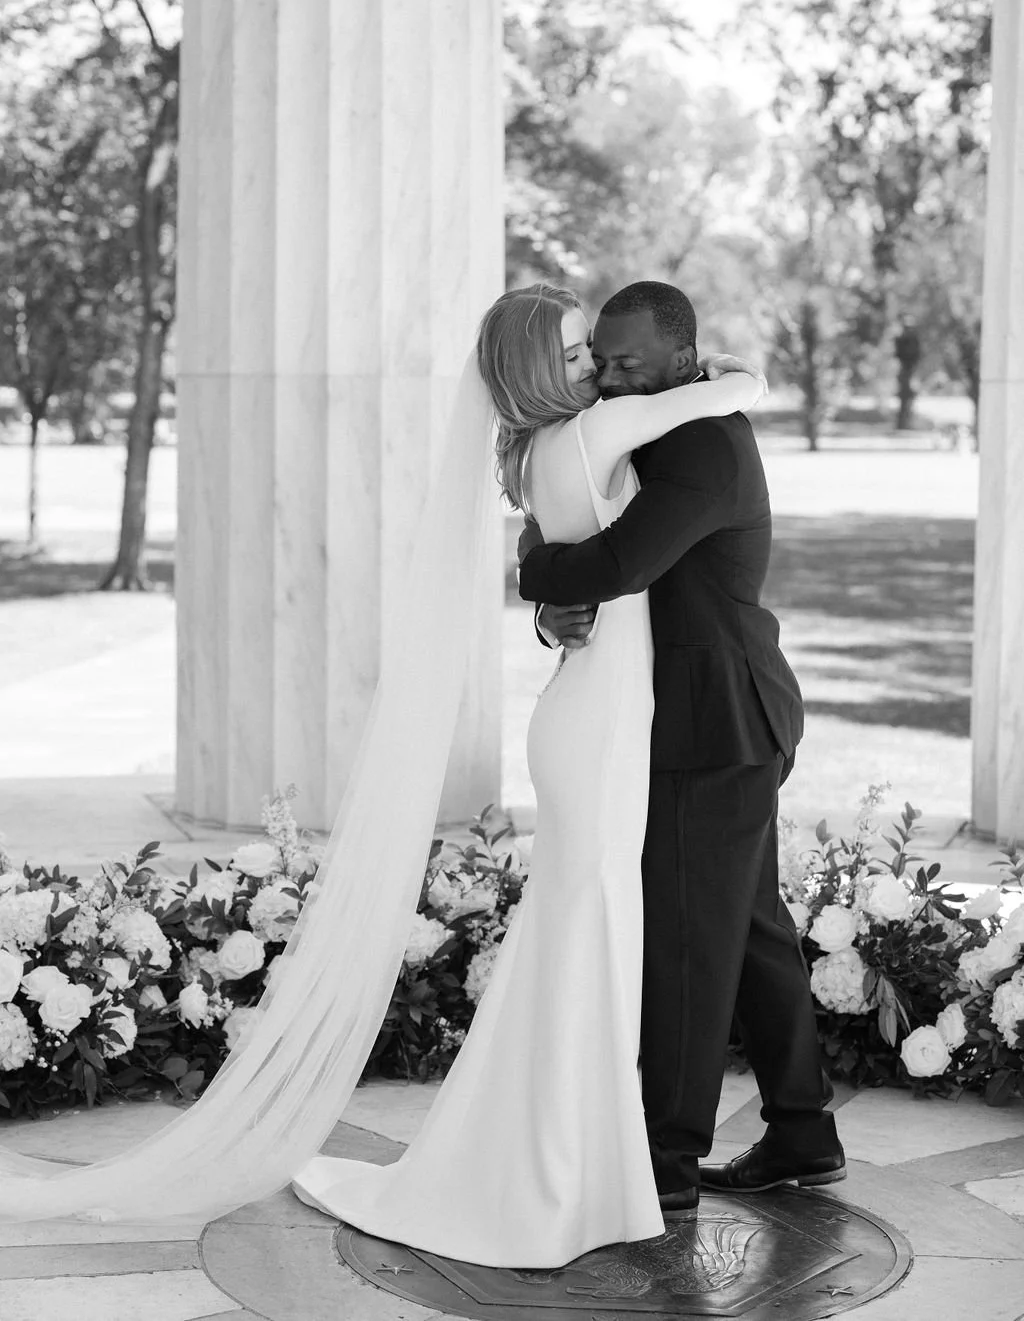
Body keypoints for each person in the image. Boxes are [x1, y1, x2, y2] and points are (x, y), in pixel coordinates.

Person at [289, 282, 768, 1266]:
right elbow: (733, 390)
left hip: (591, 713)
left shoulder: (556, 447)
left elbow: (567, 543)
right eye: (577, 353)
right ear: (535, 374)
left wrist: (538, 578)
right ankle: (562, 1176)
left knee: (580, 943)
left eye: (593, 349)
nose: (595, 365)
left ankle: (571, 1160)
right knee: (589, 940)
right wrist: (724, 371)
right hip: (595, 727)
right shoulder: (597, 434)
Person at [517, 280, 846, 1209]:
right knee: (747, 928)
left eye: (627, 364)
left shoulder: (700, 440)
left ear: (679, 357)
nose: (609, 379)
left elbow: (621, 564)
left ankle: (665, 1164)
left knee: (691, 946)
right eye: (602, 362)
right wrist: (553, 604)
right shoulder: (655, 424)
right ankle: (803, 1132)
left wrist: (532, 567)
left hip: (718, 721)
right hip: (710, 715)